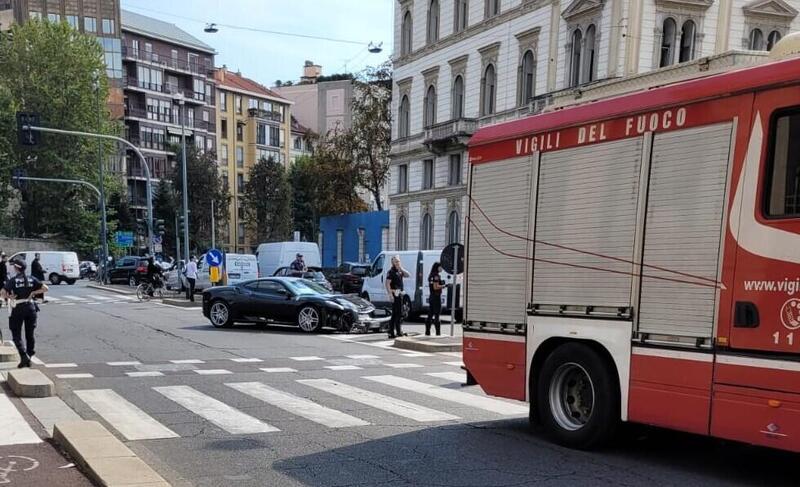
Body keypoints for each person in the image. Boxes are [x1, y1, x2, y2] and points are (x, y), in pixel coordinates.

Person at [1, 259, 48, 368]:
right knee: (30, 334)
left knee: (16, 333)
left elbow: (2, 293)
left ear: (16, 268)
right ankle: (29, 355)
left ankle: (23, 356)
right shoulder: (32, 279)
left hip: (18, 308)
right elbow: (45, 288)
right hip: (30, 307)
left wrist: (9, 297)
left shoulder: (13, 280)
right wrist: (33, 292)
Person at [385, 255, 410, 339]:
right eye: (396, 261)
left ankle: (396, 331)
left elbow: (408, 275)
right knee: (396, 314)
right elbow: (387, 284)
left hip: (400, 294)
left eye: (398, 261)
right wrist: (390, 295)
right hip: (395, 294)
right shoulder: (391, 272)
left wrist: (401, 268)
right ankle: (393, 332)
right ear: (392, 263)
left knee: (398, 314)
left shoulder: (400, 271)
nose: (397, 263)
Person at [425, 262, 444, 336]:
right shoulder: (436, 275)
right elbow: (435, 287)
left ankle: (427, 331)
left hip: (431, 296)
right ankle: (438, 333)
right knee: (437, 315)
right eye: (441, 267)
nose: (442, 268)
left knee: (430, 314)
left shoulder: (431, 275)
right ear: (437, 267)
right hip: (436, 297)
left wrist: (440, 284)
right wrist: (444, 285)